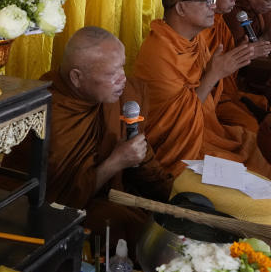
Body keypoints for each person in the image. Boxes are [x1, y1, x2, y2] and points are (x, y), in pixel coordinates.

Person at [35, 27, 173, 245]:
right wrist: (117, 161)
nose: (123, 79)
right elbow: (56, 201)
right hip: (64, 211)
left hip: (113, 192)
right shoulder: (51, 112)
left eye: (122, 68)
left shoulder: (120, 96)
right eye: (112, 74)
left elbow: (139, 155)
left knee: (168, 217)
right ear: (77, 78)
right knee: (122, 226)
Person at [134, 0, 271, 177]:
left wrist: (233, 61)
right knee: (249, 165)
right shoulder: (159, 52)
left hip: (202, 129)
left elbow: (207, 90)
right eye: (207, 1)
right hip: (175, 145)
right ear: (181, 8)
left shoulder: (194, 39)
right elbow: (174, 124)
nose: (213, 7)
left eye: (213, 1)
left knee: (255, 144)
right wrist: (215, 74)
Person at [203, 0, 271, 132]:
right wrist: (246, 53)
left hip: (226, 90)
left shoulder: (220, 22)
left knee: (263, 104)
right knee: (251, 126)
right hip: (209, 94)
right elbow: (209, 69)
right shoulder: (202, 27)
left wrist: (244, 51)